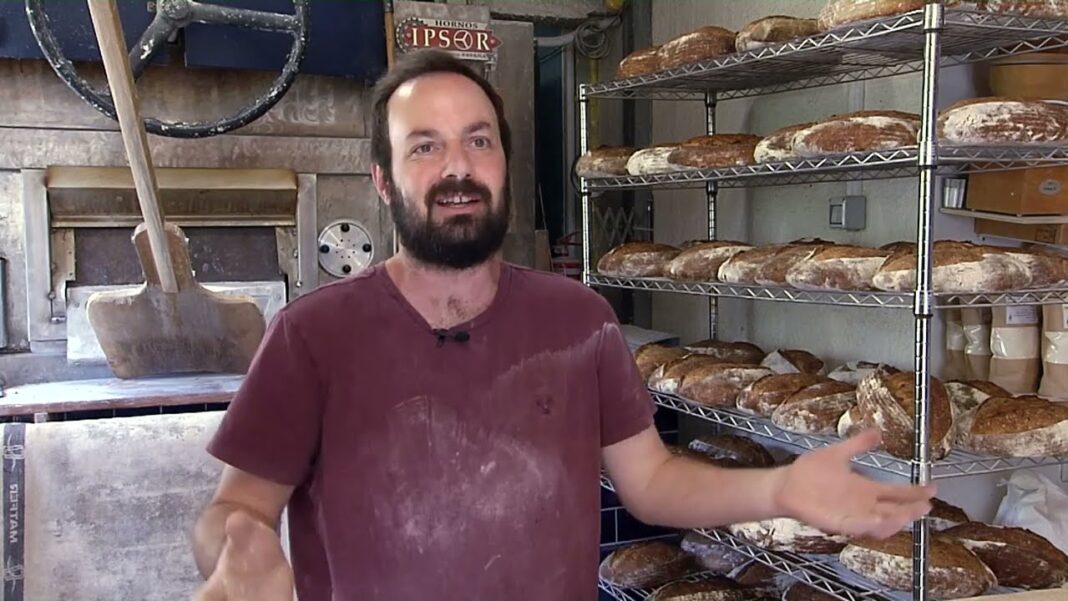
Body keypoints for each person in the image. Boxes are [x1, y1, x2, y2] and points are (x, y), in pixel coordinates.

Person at [191, 49, 935, 601]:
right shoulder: (311, 336)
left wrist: (780, 490)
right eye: (426, 146)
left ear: (505, 167)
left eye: (478, 140)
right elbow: (233, 508)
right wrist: (241, 545)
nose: (458, 167)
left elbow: (653, 483)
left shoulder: (578, 319)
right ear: (384, 179)